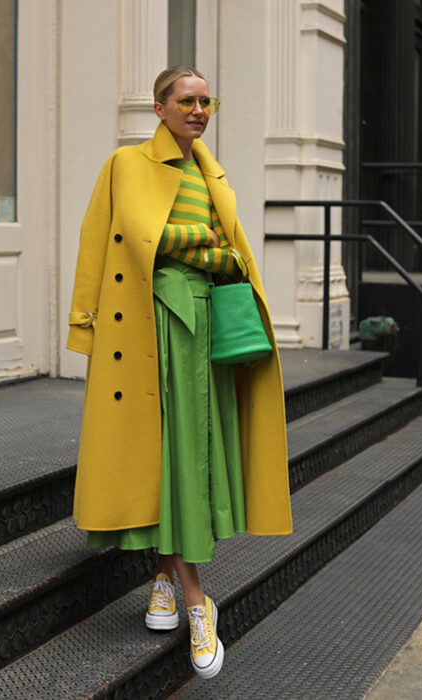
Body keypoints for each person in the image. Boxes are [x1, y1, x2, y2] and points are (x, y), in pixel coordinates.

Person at [67, 66, 292, 680]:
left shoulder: (210, 172)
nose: (198, 110)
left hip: (202, 328)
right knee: (162, 455)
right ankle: (197, 601)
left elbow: (229, 252)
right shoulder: (127, 167)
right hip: (145, 327)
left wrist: (193, 246)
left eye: (205, 101)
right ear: (160, 109)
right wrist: (84, 323)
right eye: (185, 101)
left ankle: (167, 578)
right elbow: (118, 239)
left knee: (186, 456)